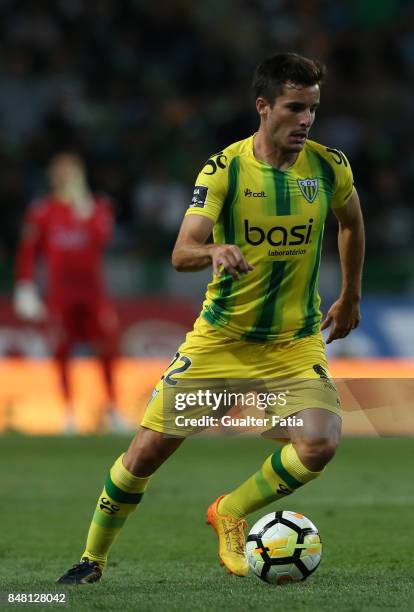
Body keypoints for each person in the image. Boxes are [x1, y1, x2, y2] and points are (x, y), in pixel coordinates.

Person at [57, 52, 364, 583]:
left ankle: (231, 509)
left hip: (292, 343)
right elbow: (181, 252)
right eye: (295, 108)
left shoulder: (330, 166)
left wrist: (351, 295)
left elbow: (351, 225)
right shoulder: (224, 169)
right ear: (264, 107)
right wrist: (215, 250)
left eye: (313, 108)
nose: (307, 120)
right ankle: (91, 559)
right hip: (221, 340)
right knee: (147, 451)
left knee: (320, 441)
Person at [14, 152, 129, 434]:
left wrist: (84, 207)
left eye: (71, 171)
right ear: (52, 176)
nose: (65, 177)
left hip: (93, 295)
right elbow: (28, 251)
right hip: (60, 296)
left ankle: (113, 409)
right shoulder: (42, 211)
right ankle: (68, 413)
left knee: (107, 349)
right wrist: (25, 286)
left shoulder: (97, 206)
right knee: (62, 351)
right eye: (60, 172)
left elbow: (103, 239)